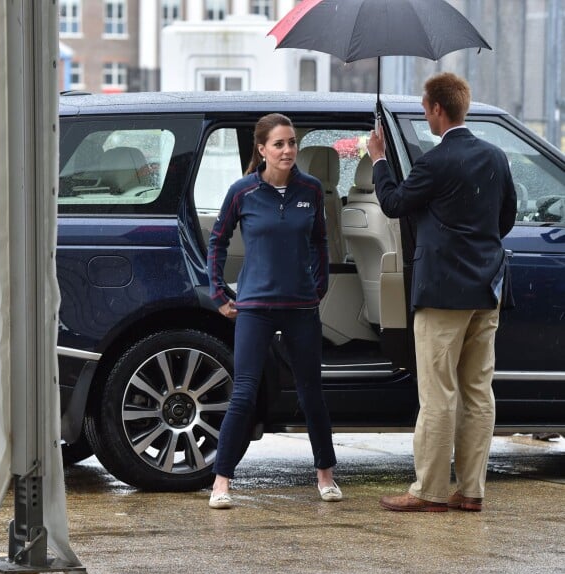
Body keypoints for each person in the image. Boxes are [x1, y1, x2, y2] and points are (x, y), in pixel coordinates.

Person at [367, 72, 517, 512]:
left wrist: (378, 160)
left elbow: (394, 204)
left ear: (436, 109)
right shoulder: (495, 157)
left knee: (437, 394)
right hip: (487, 290)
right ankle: (471, 490)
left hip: (441, 294)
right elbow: (504, 219)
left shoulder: (435, 162)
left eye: (425, 106)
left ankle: (428, 491)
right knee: (477, 391)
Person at [206, 113, 342, 509]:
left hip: (301, 308)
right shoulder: (242, 192)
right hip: (256, 309)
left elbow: (319, 241)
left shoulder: (311, 190)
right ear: (262, 149)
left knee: (311, 392)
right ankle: (221, 483)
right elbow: (217, 243)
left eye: (292, 142)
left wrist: (319, 286)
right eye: (279, 144)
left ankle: (326, 476)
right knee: (244, 393)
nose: (288, 150)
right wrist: (220, 293)